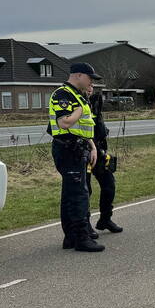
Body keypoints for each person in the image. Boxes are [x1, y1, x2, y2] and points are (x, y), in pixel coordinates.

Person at [48, 63, 104, 252]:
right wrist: (80, 109)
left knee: (72, 193)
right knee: (78, 195)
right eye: (90, 78)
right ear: (78, 75)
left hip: (79, 147)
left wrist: (92, 147)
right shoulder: (63, 94)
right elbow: (64, 122)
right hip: (67, 149)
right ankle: (81, 238)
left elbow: (84, 127)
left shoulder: (78, 95)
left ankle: (71, 237)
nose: (91, 82)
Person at [85, 87, 123, 235]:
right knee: (85, 190)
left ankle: (105, 219)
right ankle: (85, 225)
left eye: (92, 87)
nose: (90, 89)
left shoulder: (95, 103)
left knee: (109, 185)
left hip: (99, 151)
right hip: (84, 152)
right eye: (87, 86)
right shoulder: (77, 103)